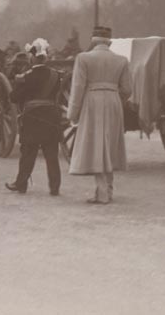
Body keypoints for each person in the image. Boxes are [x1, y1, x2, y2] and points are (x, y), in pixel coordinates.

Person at [67, 26, 132, 204]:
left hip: (92, 102)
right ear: (109, 42)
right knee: (109, 144)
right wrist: (115, 95)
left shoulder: (84, 58)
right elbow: (127, 89)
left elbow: (78, 87)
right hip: (113, 101)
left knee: (97, 145)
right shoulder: (121, 60)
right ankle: (107, 190)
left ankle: (102, 192)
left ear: (93, 40)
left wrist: (73, 112)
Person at [6, 38, 64, 195]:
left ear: (32, 58)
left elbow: (14, 98)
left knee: (28, 154)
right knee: (51, 154)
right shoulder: (56, 75)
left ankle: (21, 184)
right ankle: (54, 187)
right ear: (45, 58)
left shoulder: (27, 76)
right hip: (51, 118)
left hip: (33, 119)